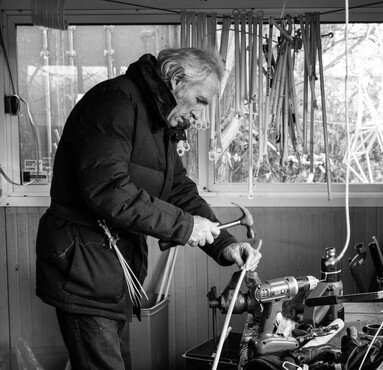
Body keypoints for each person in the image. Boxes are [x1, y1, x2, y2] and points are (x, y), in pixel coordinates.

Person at [35, 47, 262, 370]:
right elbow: (109, 190)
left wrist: (226, 245)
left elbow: (179, 190)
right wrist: (185, 227)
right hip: (83, 265)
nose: (200, 117)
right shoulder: (115, 103)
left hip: (107, 267)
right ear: (176, 79)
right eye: (200, 101)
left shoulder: (156, 121)